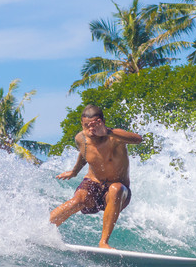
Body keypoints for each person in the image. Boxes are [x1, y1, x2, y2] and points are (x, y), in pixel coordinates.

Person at [50, 104, 142, 249]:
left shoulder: (115, 137)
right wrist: (74, 171)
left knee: (115, 189)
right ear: (81, 123)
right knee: (77, 201)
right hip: (93, 183)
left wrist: (108, 132)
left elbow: (138, 139)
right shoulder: (80, 138)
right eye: (86, 126)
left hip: (117, 191)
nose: (91, 130)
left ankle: (103, 243)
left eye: (94, 125)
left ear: (102, 122)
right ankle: (41, 228)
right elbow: (84, 153)